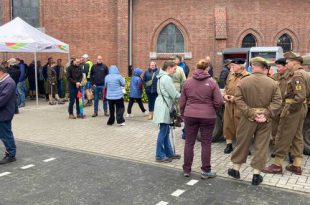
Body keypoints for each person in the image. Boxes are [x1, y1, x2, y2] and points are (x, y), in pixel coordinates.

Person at [227, 57, 282, 186]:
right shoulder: (273, 83)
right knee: (261, 146)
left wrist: (251, 113)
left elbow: (238, 100)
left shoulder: (244, 81)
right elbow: (277, 102)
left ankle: (235, 169)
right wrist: (266, 114)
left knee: (242, 143)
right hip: (265, 120)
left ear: (252, 66)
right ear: (264, 68)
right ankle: (256, 175)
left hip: (247, 118)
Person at [263, 52, 310, 175]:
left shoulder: (297, 75)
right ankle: (297, 165)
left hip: (293, 108)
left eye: (288, 62)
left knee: (283, 134)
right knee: (297, 136)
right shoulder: (305, 74)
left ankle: (277, 165)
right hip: (302, 108)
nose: (287, 64)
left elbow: (299, 97)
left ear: (295, 62)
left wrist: (290, 109)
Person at [180, 59, 224, 178]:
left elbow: (182, 101)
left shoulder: (187, 82)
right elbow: (219, 101)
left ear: (196, 68)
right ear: (207, 68)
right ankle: (205, 171)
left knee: (189, 142)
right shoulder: (212, 82)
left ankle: (186, 170)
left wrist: (183, 114)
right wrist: (213, 109)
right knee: (206, 143)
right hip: (208, 116)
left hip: (190, 115)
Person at [153, 61, 181, 163]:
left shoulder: (161, 77)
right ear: (169, 68)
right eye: (174, 69)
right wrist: (185, 95)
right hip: (165, 107)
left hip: (162, 105)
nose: (175, 71)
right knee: (163, 132)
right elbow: (174, 94)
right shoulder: (166, 78)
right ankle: (159, 155)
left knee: (166, 131)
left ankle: (169, 153)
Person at [223, 59, 250, 154]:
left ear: (240, 66)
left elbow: (248, 94)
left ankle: (243, 147)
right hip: (229, 104)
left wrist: (235, 98)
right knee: (228, 124)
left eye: (234, 65)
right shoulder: (231, 75)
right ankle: (229, 144)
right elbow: (226, 87)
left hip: (240, 106)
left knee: (241, 126)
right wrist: (225, 95)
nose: (231, 67)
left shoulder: (247, 77)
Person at [0, 65, 17, 164]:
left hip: (4, 113)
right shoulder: (3, 82)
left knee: (6, 134)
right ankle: (10, 152)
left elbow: (2, 100)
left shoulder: (8, 82)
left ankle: (11, 154)